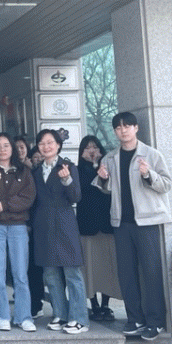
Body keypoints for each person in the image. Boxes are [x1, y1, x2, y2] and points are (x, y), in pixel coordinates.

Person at [94, 112, 172, 341]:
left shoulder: (152, 154)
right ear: (115, 131)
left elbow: (166, 184)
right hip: (121, 223)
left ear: (136, 128)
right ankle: (135, 319)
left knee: (152, 272)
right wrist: (103, 178)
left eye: (127, 126)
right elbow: (106, 189)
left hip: (147, 222)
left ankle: (155, 322)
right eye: (118, 127)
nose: (123, 130)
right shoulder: (110, 157)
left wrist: (148, 174)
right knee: (127, 273)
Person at [32, 129, 88, 334]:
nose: (46, 146)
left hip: (65, 223)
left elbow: (76, 197)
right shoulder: (36, 171)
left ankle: (79, 318)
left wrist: (67, 180)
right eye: (42, 143)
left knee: (72, 272)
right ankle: (60, 314)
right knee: (50, 273)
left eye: (50, 142)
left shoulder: (68, 167)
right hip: (43, 224)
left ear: (58, 145)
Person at [0, 133, 36, 332]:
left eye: (6, 145)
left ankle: (24, 316)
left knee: (20, 273)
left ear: (12, 148)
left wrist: (5, 204)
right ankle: (1, 315)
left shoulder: (24, 171)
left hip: (18, 225)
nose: (2, 149)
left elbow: (28, 197)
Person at [76, 135, 119, 322]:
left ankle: (106, 305)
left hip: (106, 225)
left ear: (101, 150)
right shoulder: (77, 170)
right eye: (87, 148)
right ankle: (93, 305)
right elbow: (81, 190)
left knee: (107, 267)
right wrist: (93, 169)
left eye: (95, 147)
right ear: (81, 152)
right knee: (90, 268)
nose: (92, 150)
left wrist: (102, 172)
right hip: (87, 226)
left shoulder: (108, 167)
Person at [26, 145, 45, 319]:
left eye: (41, 156)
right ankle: (35, 303)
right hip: (32, 226)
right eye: (35, 157)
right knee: (33, 268)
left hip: (50, 226)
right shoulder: (29, 175)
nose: (38, 159)